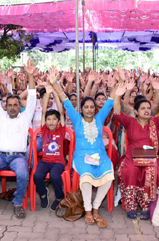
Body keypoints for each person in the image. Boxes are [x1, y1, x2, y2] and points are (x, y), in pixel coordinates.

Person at [51, 67, 116, 228]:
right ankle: (87, 210)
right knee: (86, 176)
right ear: (81, 109)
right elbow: (65, 100)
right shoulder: (76, 119)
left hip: (100, 156)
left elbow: (110, 102)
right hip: (81, 157)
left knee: (109, 174)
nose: (89, 109)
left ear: (95, 109)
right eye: (86, 107)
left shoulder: (99, 118)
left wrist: (118, 83)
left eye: (91, 107)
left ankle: (95, 207)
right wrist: (55, 84)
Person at [0, 59, 36, 219]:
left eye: (15, 105)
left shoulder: (25, 118)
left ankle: (18, 203)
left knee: (24, 175)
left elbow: (31, 99)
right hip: (0, 155)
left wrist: (30, 76)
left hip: (18, 157)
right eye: (9, 105)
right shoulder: (1, 116)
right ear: (6, 107)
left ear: (20, 107)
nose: (12, 107)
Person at [113, 80, 159, 220]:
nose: (147, 110)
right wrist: (117, 96)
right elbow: (117, 113)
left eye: (148, 108)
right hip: (131, 156)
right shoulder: (130, 122)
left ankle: (147, 205)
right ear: (135, 111)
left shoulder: (155, 122)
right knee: (130, 170)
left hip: (150, 158)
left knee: (151, 171)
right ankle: (131, 205)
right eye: (143, 108)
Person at [33, 69, 65, 211]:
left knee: (55, 176)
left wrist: (55, 93)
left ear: (58, 122)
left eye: (54, 119)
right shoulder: (44, 129)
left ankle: (59, 196)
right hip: (45, 161)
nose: (51, 121)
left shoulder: (61, 130)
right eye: (49, 120)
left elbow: (60, 109)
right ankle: (43, 194)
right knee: (37, 176)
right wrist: (47, 93)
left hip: (58, 162)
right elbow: (44, 111)